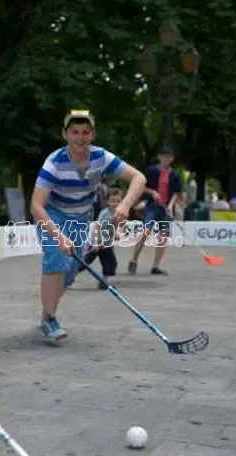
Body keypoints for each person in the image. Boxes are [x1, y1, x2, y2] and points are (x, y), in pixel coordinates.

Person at [30, 110, 146, 345]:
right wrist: (58, 236)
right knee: (55, 258)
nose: (80, 138)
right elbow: (35, 206)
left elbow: (139, 178)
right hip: (52, 215)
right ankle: (50, 318)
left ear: (92, 135)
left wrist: (125, 205)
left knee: (71, 270)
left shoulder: (100, 157)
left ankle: (46, 314)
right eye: (74, 132)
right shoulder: (54, 163)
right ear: (65, 134)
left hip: (81, 218)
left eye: (85, 132)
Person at [128, 146, 182, 276]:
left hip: (165, 209)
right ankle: (134, 260)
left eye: (169, 157)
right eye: (164, 156)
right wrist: (152, 192)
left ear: (172, 159)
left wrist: (170, 205)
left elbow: (176, 192)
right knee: (145, 232)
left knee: (163, 236)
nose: (166, 159)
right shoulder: (151, 171)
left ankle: (156, 266)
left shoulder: (174, 174)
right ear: (159, 157)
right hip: (152, 206)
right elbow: (141, 186)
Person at [80, 187, 123, 290]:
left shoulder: (120, 213)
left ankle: (103, 282)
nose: (115, 203)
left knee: (111, 264)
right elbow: (96, 228)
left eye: (118, 201)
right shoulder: (105, 213)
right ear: (108, 201)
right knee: (84, 262)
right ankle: (67, 278)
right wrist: (95, 243)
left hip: (107, 244)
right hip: (96, 242)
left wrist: (118, 233)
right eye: (113, 201)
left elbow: (122, 225)